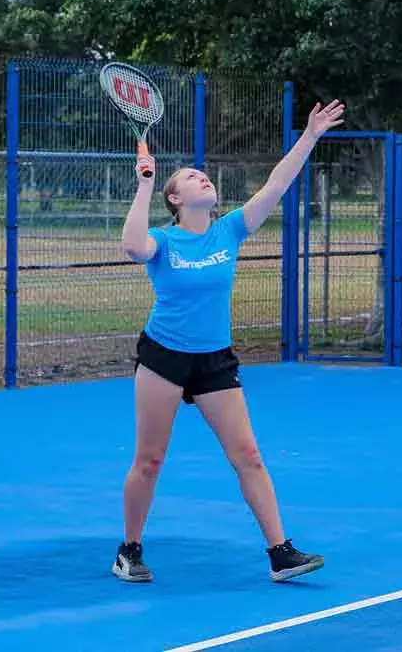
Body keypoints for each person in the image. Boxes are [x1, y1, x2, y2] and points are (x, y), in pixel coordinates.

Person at [112, 97, 346, 584]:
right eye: (192, 178)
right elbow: (133, 247)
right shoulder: (164, 239)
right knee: (150, 459)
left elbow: (277, 185)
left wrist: (310, 135)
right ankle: (129, 549)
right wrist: (144, 185)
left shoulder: (229, 230)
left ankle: (280, 552)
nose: (204, 179)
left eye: (205, 176)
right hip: (164, 358)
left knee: (249, 455)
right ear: (174, 200)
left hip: (214, 359)